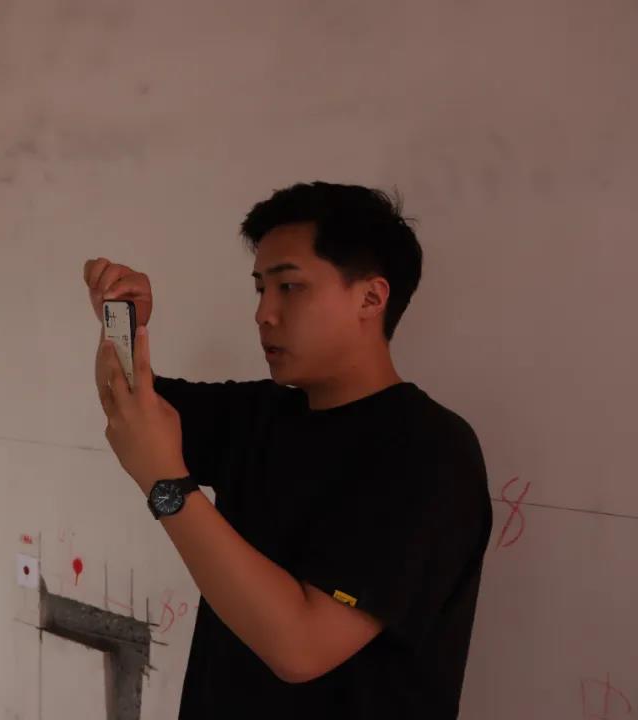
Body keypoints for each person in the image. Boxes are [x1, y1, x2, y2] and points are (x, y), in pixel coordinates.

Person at [83, 181, 492, 719]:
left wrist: (167, 486)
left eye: (289, 287)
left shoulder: (430, 452)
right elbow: (131, 405)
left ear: (371, 298)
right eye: (260, 289)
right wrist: (122, 322)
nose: (264, 313)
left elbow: (301, 647)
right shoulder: (262, 413)